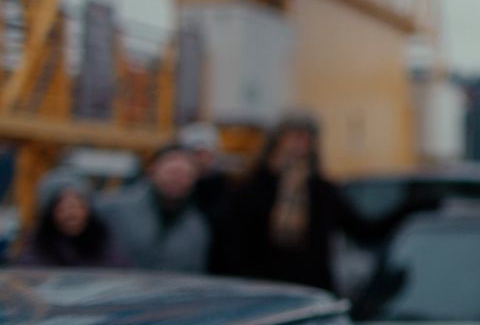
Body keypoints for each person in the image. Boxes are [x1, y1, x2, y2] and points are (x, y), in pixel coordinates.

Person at [213, 113, 436, 294]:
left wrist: (409, 206)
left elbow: (364, 231)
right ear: (276, 141)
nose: (299, 146)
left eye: (306, 138)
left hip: (311, 294)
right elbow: (233, 250)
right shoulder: (250, 189)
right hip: (266, 296)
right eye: (293, 137)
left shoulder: (322, 191)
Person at [99, 143, 211, 274]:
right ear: (152, 169)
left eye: (185, 174)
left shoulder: (197, 228)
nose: (177, 179)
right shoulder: (113, 209)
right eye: (172, 171)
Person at [11, 171, 129, 268]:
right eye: (63, 208)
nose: (72, 214)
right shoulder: (38, 246)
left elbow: (120, 272)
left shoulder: (102, 241)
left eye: (78, 206)